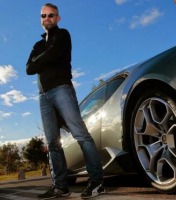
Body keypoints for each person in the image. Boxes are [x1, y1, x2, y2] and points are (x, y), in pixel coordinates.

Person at [26, 3, 104, 199]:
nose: (47, 18)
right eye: (43, 15)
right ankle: (60, 187)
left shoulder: (63, 35)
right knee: (53, 143)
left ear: (58, 18)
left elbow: (51, 57)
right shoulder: (37, 44)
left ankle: (96, 182)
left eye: (51, 15)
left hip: (62, 89)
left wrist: (40, 60)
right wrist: (44, 56)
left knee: (81, 135)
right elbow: (29, 68)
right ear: (40, 19)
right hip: (43, 96)